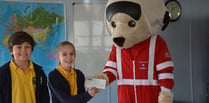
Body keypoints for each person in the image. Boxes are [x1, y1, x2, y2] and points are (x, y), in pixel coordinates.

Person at [0, 31, 50, 103]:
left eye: (27, 47)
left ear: (31, 50)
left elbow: (45, 98)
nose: (23, 50)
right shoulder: (2, 73)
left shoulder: (39, 72)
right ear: (11, 51)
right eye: (19, 47)